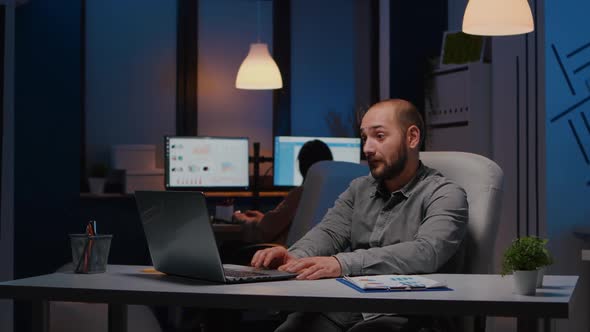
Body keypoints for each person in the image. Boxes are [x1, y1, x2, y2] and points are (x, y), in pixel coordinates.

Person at [250, 99, 469, 332]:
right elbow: (330, 232)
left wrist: (341, 263)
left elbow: (427, 252)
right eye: (364, 138)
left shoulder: (446, 194)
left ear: (412, 137)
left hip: (407, 313)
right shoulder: (359, 188)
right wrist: (294, 258)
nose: (367, 148)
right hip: (348, 305)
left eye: (379, 136)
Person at [233, 139, 334, 244]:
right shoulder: (335, 196)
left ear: (301, 166)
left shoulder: (301, 194)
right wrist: (263, 218)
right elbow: (277, 222)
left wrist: (244, 219)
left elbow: (266, 229)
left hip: (287, 255)